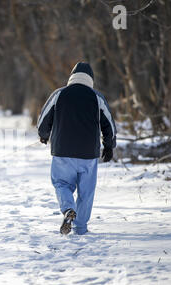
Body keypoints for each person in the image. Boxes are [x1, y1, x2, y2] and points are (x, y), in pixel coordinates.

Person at [37, 62, 117, 235]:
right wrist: (109, 146)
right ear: (91, 80)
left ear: (71, 77)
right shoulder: (97, 97)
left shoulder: (59, 94)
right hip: (88, 154)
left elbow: (44, 117)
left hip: (62, 152)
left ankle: (68, 209)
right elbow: (109, 124)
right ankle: (80, 228)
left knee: (61, 184)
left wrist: (44, 134)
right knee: (86, 192)